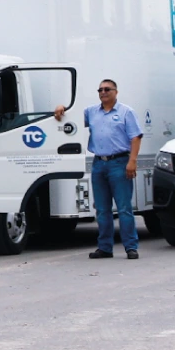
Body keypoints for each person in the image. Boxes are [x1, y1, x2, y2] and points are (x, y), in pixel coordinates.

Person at [55, 79, 143, 260]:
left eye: (107, 89)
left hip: (119, 163)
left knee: (124, 208)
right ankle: (105, 248)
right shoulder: (92, 112)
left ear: (116, 92)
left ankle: (130, 247)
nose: (103, 92)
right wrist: (61, 107)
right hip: (99, 164)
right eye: (100, 89)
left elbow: (135, 137)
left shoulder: (126, 112)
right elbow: (71, 119)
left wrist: (132, 161)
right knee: (102, 210)